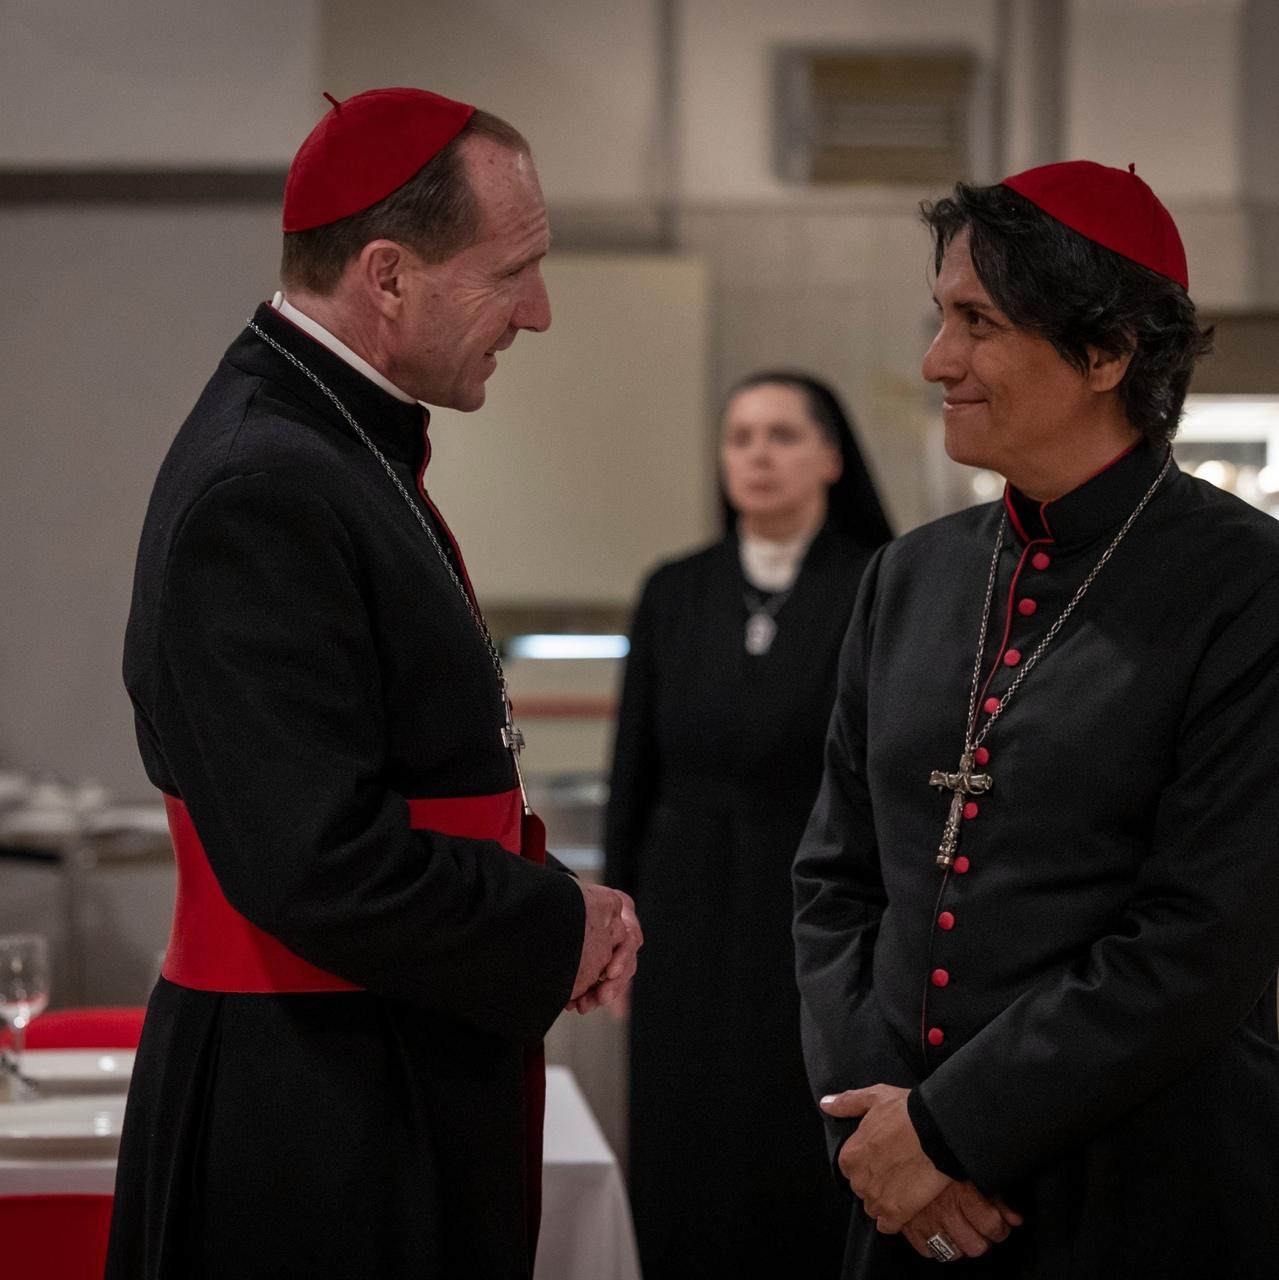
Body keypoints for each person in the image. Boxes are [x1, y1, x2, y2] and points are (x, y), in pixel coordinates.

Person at [107, 87, 641, 1280]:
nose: (538, 311)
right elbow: (316, 858)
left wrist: (543, 892)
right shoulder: (263, 484)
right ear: (388, 275)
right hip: (312, 1101)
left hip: (366, 1055)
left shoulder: (332, 442)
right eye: (514, 271)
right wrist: (551, 923)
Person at [794, 159, 1279, 1278]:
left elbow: (1201, 936)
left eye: (978, 322)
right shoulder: (908, 576)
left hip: (1147, 1188)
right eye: (941, 317)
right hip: (906, 1195)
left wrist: (949, 1132)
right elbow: (833, 879)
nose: (937, 360)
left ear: (1106, 352)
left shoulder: (1245, 586)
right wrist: (875, 1131)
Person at [605, 372, 892, 1276]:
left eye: (781, 435)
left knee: (790, 1120)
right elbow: (632, 769)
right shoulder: (675, 588)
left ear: (831, 457)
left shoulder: (876, 583)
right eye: (740, 438)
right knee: (683, 1119)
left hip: (815, 901)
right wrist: (615, 921)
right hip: (683, 897)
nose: (757, 456)